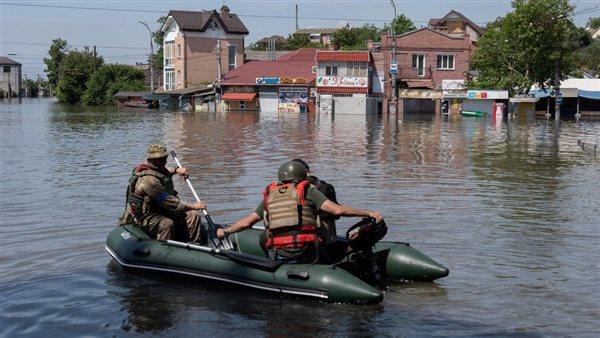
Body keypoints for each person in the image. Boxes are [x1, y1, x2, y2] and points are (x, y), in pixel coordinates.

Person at [216, 161, 383, 263]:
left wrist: (225, 231)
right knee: (319, 240)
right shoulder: (308, 191)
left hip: (281, 253)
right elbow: (338, 210)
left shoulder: (271, 195)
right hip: (306, 251)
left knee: (263, 237)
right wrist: (368, 213)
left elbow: (247, 222)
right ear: (302, 176)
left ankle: (272, 263)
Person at [124, 143, 206, 243]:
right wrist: (193, 206)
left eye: (165, 157)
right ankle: (165, 249)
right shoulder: (149, 181)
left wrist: (176, 170)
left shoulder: (156, 167)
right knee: (167, 223)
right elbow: (168, 202)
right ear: (152, 160)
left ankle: (195, 244)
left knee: (193, 215)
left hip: (161, 209)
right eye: (161, 158)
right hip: (147, 216)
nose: (164, 160)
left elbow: (165, 171)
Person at [291, 159, 339, 244]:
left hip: (305, 235)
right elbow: (337, 214)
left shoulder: (293, 188)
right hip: (329, 234)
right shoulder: (325, 186)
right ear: (308, 170)